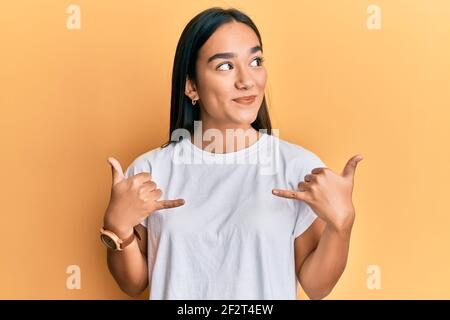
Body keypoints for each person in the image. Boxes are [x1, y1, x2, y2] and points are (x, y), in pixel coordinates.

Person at [100, 7, 363, 300]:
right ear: (191, 86)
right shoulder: (151, 169)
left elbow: (317, 286)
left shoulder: (297, 167)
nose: (247, 80)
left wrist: (342, 225)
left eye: (255, 61)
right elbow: (133, 283)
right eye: (225, 66)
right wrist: (117, 227)